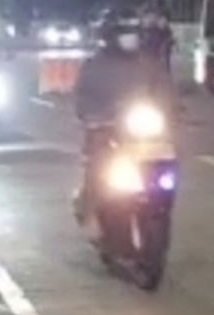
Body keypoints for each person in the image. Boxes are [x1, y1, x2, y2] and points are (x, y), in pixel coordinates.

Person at [72, 14, 174, 238]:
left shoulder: (149, 64)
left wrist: (171, 111)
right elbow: (83, 97)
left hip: (141, 132)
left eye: (134, 33)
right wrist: (92, 117)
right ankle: (90, 206)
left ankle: (160, 204)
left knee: (166, 160)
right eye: (125, 33)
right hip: (106, 129)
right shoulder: (94, 66)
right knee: (98, 167)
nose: (131, 38)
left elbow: (164, 91)